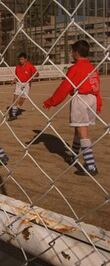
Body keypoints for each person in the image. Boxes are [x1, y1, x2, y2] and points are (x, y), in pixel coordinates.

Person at [43, 40, 101, 176]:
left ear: (76, 53)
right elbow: (96, 86)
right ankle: (74, 155)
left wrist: (51, 102)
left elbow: (64, 88)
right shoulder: (92, 68)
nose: (71, 53)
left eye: (72, 51)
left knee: (82, 131)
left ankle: (91, 165)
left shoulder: (75, 68)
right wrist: (98, 104)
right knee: (78, 128)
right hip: (92, 98)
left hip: (81, 99)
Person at [9, 52, 39, 121]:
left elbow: (37, 74)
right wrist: (13, 81)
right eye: (19, 59)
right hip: (19, 84)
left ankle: (16, 109)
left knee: (22, 101)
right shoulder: (17, 67)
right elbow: (16, 77)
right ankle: (13, 115)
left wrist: (35, 74)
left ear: (26, 59)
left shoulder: (30, 66)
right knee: (15, 98)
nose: (20, 61)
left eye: (22, 59)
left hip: (27, 84)